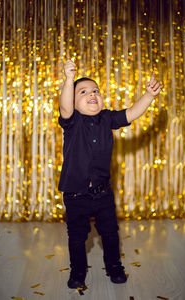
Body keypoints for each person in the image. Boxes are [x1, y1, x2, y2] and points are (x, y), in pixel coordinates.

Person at [58, 59, 163, 289]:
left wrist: (149, 96)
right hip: (76, 194)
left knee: (110, 233)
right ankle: (77, 272)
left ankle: (114, 266)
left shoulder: (106, 118)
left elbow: (132, 113)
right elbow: (65, 106)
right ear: (73, 103)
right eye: (83, 92)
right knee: (77, 237)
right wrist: (68, 80)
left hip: (103, 192)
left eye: (96, 90)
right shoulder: (72, 121)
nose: (92, 93)